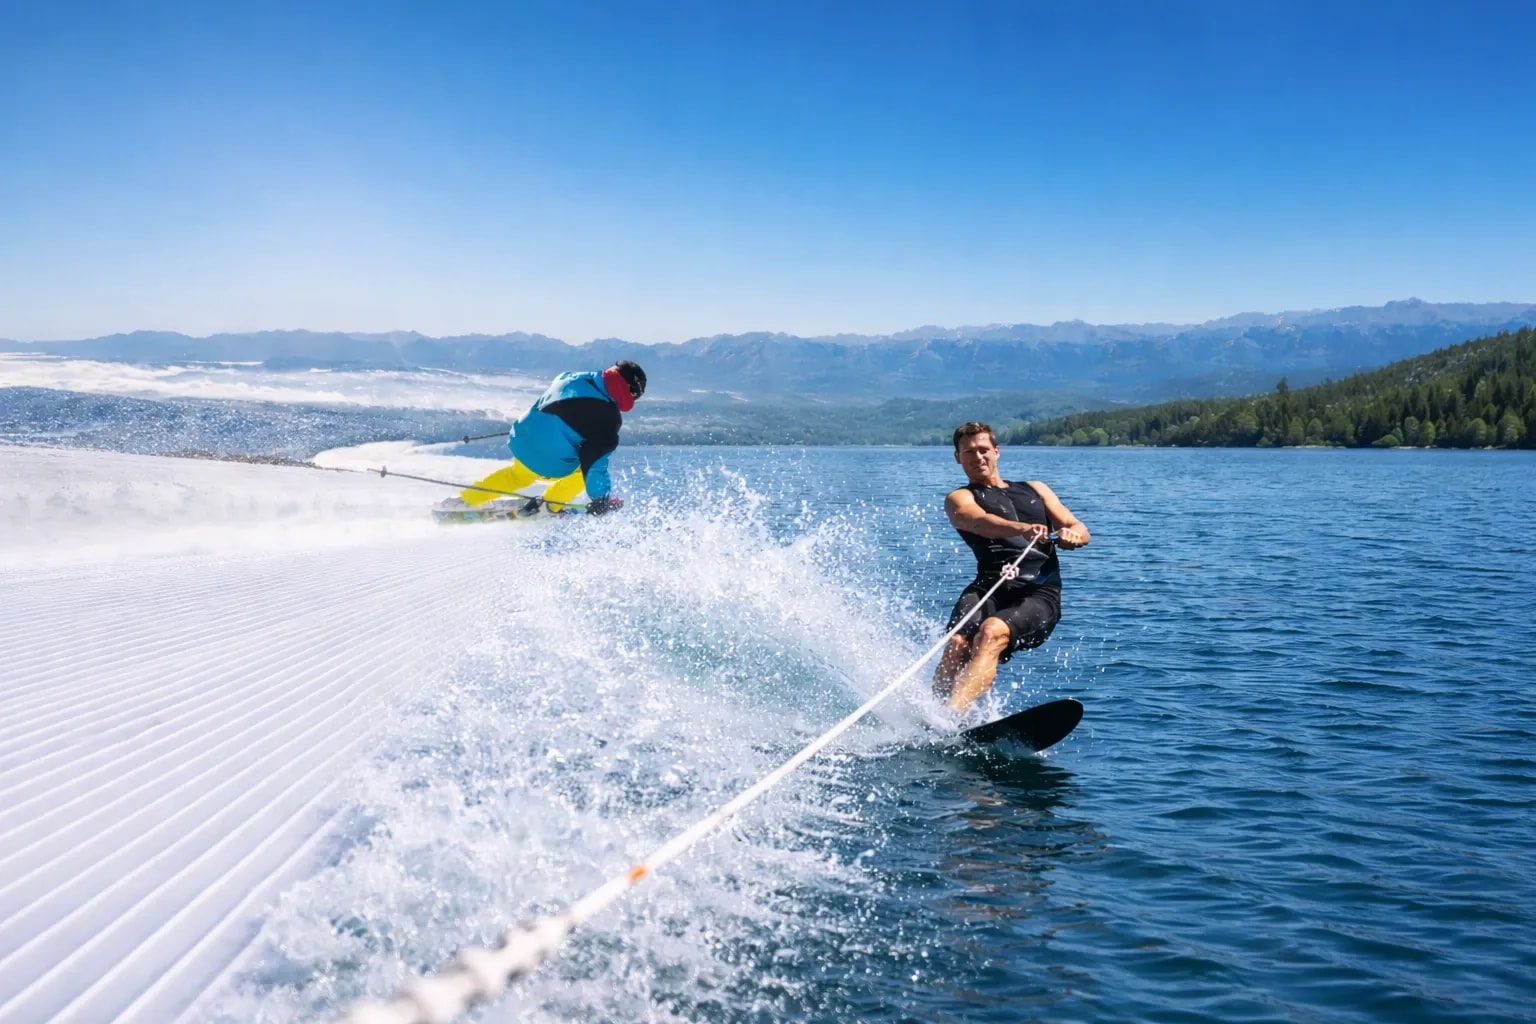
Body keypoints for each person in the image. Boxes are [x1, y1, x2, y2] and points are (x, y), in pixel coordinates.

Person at [933, 421, 1090, 715]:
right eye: (969, 452)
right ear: (957, 458)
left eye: (983, 449)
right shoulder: (960, 498)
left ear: (996, 451)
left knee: (991, 632)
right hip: (989, 588)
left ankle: (951, 715)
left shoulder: (1036, 489)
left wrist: (1073, 536)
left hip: (1038, 593)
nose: (978, 457)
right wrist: (1022, 529)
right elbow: (979, 522)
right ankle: (935, 714)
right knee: (957, 643)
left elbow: (1077, 527)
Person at [462, 360, 646, 515]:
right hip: (548, 460)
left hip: (521, 437)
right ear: (631, 392)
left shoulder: (573, 377)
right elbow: (593, 464)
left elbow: (560, 405)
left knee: (517, 475)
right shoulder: (608, 420)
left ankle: (468, 499)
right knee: (581, 474)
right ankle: (550, 506)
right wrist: (601, 499)